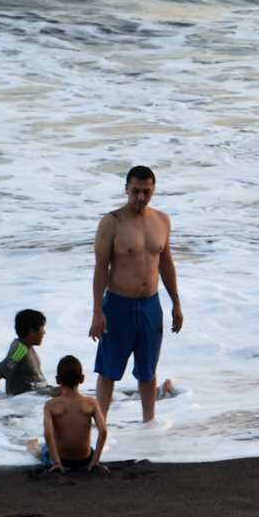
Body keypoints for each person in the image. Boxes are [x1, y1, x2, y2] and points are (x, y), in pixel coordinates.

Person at [89, 165, 183, 422]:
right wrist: (98, 311)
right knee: (109, 370)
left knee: (147, 370)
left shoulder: (162, 220)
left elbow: (166, 264)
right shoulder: (112, 222)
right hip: (119, 304)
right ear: (126, 189)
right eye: (135, 191)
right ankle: (101, 425)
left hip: (151, 304)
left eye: (146, 191)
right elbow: (100, 269)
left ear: (153, 190)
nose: (141, 197)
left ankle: (148, 424)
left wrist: (176, 303)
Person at [27, 356, 108, 472]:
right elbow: (103, 431)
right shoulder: (91, 403)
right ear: (82, 379)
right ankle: (94, 461)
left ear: (57, 380)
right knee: (89, 448)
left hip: (62, 459)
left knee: (35, 448)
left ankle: (33, 446)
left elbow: (48, 434)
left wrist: (56, 462)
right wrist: (95, 461)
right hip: (85, 460)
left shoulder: (51, 405)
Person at [0, 309, 55, 397]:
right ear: (32, 332)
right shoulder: (20, 350)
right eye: (42, 328)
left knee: (68, 389)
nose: (44, 332)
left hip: (37, 395)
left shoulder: (27, 346)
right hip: (26, 399)